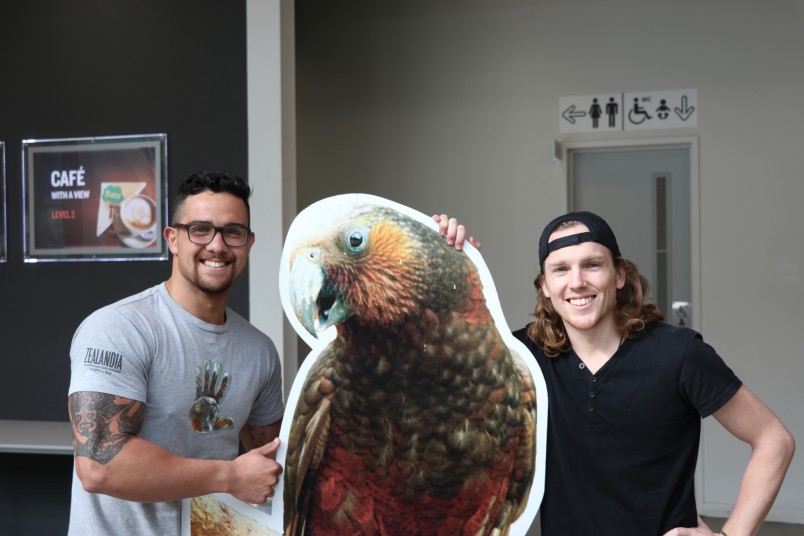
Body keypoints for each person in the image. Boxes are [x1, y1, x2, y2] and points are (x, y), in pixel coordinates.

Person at [434, 211, 795, 536]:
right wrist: (454, 271)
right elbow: (432, 385)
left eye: (592, 264)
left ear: (620, 275)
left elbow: (773, 440)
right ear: (544, 287)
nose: (576, 282)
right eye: (560, 269)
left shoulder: (678, 353)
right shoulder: (520, 358)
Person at [68, 172, 285, 536]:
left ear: (248, 243)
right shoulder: (117, 328)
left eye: (233, 232)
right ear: (173, 239)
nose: (217, 245)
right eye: (200, 229)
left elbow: (276, 462)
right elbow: (100, 466)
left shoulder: (259, 350)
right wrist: (229, 476)